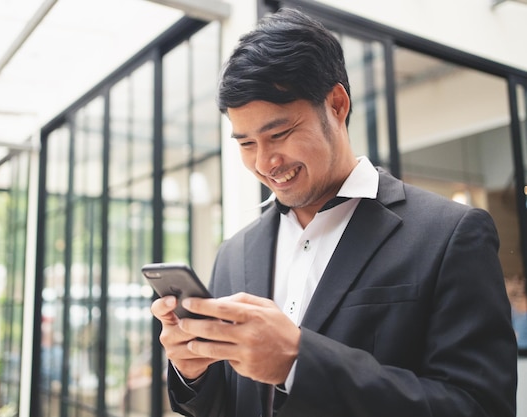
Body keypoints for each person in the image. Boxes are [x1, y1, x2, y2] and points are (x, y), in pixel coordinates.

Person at [151, 7, 517, 417]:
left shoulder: (450, 234)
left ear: (337, 104)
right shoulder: (234, 253)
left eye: (280, 133)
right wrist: (192, 372)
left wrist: (298, 361)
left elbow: (479, 407)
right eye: (247, 144)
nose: (265, 162)